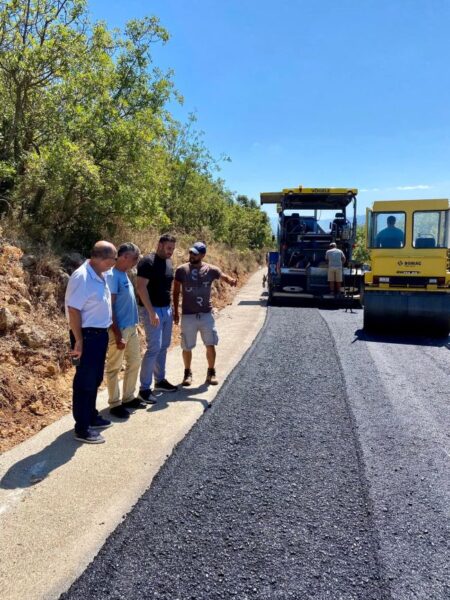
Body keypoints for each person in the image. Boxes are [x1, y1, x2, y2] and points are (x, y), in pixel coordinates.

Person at [65, 241, 117, 444]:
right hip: (85, 336)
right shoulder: (83, 277)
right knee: (84, 381)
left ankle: (91, 415)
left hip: (98, 335)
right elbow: (73, 310)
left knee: (94, 378)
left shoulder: (99, 274)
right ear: (100, 258)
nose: (114, 263)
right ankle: (82, 428)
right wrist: (78, 340)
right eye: (112, 259)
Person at [173, 241, 237, 387]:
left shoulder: (211, 269)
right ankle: (187, 373)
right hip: (188, 315)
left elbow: (222, 276)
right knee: (186, 346)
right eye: (190, 252)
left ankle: (211, 372)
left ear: (202, 255)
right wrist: (176, 312)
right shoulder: (181, 270)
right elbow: (176, 292)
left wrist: (231, 280)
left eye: (195, 253)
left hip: (206, 314)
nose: (192, 255)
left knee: (210, 343)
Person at [136, 234, 178, 404]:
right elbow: (140, 287)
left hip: (166, 309)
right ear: (160, 245)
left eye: (173, 249)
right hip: (152, 310)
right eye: (168, 248)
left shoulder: (168, 263)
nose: (171, 252)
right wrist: (151, 312)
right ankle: (144, 389)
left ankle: (159, 381)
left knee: (164, 346)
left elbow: (168, 287)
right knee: (154, 348)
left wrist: (172, 309)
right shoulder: (147, 262)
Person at [105, 242, 145, 420]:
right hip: (119, 330)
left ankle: (128, 397)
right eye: (135, 257)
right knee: (114, 367)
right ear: (124, 257)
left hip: (131, 328)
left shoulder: (124, 273)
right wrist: (118, 334)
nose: (137, 261)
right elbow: (110, 307)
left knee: (134, 362)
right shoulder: (112, 275)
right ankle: (115, 403)